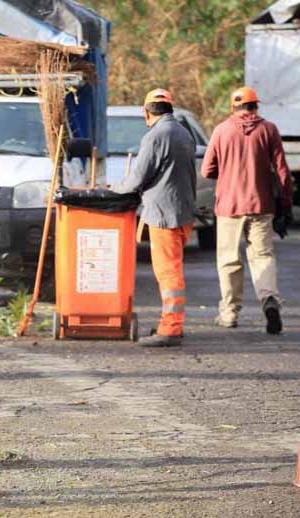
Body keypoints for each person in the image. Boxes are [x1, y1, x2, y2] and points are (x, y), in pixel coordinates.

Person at [201, 86, 292, 334]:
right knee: (262, 256)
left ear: (234, 107)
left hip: (229, 206)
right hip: (261, 204)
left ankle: (229, 314)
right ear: (256, 106)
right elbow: (282, 171)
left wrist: (228, 171)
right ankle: (269, 300)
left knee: (229, 260)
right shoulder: (269, 129)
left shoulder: (221, 130)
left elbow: (207, 170)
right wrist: (285, 203)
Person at [113, 89, 196, 347]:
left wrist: (114, 188)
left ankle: (171, 328)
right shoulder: (184, 133)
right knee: (174, 270)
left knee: (169, 274)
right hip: (182, 213)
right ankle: (171, 323)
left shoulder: (155, 136)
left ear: (146, 112)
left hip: (164, 216)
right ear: (170, 109)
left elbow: (137, 179)